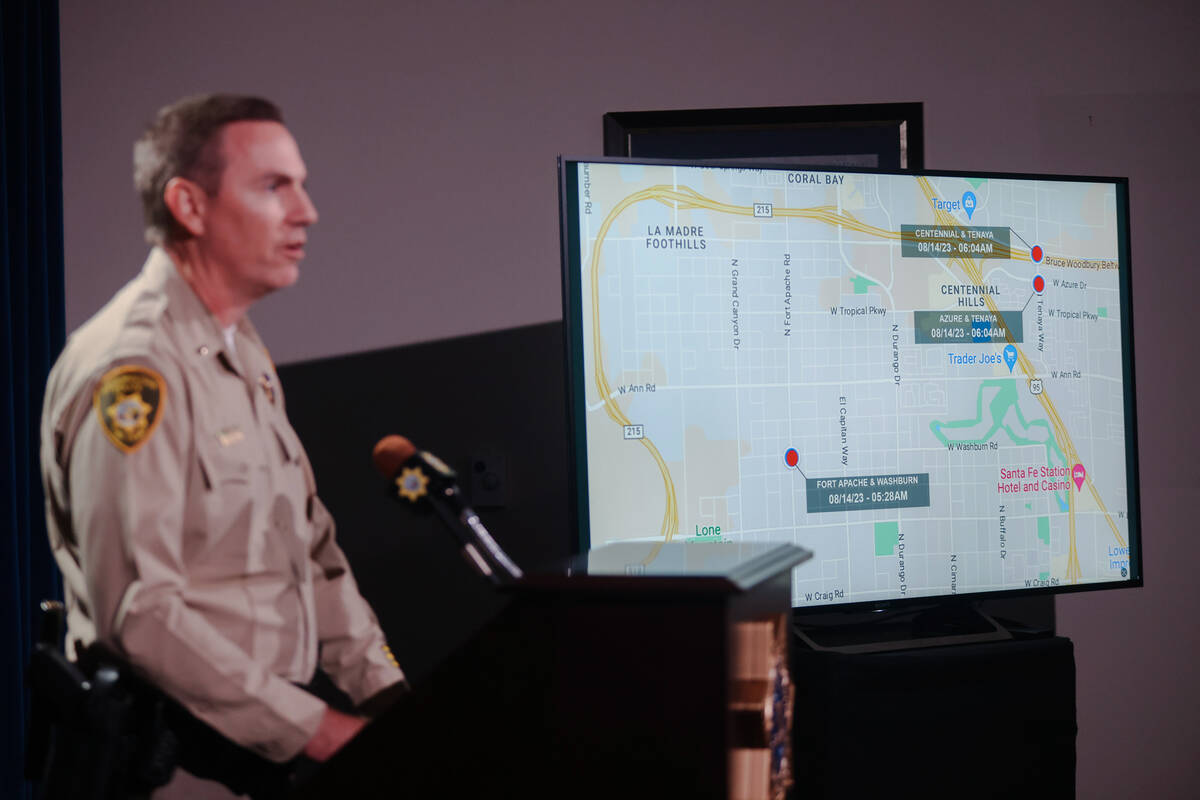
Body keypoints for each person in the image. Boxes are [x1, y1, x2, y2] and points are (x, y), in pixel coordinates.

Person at [39, 94, 406, 795]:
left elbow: (312, 555)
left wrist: (389, 696)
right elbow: (139, 612)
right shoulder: (135, 370)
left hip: (263, 748)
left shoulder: (238, 348)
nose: (306, 211)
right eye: (273, 186)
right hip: (171, 763)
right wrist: (325, 732)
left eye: (300, 185)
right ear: (189, 205)